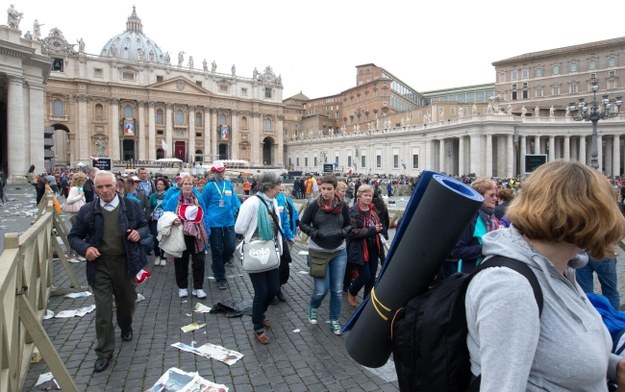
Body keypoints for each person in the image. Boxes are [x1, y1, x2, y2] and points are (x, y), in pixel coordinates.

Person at [465, 160, 625, 390]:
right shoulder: (509, 288)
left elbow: (555, 351)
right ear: (591, 217)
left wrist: (614, 367)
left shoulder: (560, 267)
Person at [68, 170, 149, 373]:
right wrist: (85, 249)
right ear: (94, 189)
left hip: (125, 263)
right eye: (100, 187)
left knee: (127, 302)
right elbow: (74, 236)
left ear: (117, 186)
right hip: (100, 265)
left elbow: (145, 226)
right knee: (103, 310)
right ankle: (104, 351)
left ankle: (126, 325)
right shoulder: (87, 211)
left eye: (108, 186)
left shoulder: (131, 206)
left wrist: (138, 233)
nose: (104, 190)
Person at [234, 172, 284, 344]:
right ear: (269, 187)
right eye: (278, 184)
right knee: (261, 291)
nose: (281, 187)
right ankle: (257, 326)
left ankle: (260, 313)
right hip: (255, 251)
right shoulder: (252, 203)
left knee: (274, 288)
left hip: (270, 250)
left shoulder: (274, 201)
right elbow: (239, 228)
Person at [299, 175, 352, 335]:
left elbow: (349, 225)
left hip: (339, 251)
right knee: (321, 290)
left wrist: (341, 233)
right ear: (320, 188)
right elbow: (302, 224)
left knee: (336, 290)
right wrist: (316, 233)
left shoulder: (342, 206)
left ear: (335, 190)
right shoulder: (314, 205)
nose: (326, 192)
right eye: (323, 189)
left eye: (330, 189)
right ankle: (313, 307)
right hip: (319, 251)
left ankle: (334, 320)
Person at [575, 186, 625, 310]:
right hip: (604, 250)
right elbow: (620, 229)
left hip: (583, 251)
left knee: (586, 294)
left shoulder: (580, 208)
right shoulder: (610, 210)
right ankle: (614, 323)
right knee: (610, 291)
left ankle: (590, 320)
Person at [163, 174, 211, 298]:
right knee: (181, 261)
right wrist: (174, 220)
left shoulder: (198, 198)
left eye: (190, 184)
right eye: (185, 184)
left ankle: (198, 287)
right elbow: (166, 212)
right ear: (181, 185)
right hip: (180, 233)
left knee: (199, 261)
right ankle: (182, 287)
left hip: (197, 234)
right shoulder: (174, 198)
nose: (188, 186)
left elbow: (204, 212)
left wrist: (206, 229)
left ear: (193, 186)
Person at [444, 177, 500, 277]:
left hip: (490, 273)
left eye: (496, 195)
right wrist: (486, 248)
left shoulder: (493, 218)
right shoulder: (471, 218)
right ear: (480, 196)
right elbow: (456, 251)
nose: (495, 198)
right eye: (491, 195)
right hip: (471, 275)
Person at [201, 161, 241, 290]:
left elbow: (235, 201)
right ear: (213, 172)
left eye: (222, 171)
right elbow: (203, 204)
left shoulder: (228, 185)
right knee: (217, 251)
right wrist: (207, 220)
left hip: (228, 222)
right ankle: (220, 277)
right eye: (218, 171)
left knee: (230, 248)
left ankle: (217, 266)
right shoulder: (209, 187)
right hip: (214, 224)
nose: (220, 173)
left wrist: (236, 210)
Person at [345, 184, 385, 307]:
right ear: (359, 196)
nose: (368, 198)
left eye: (370, 195)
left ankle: (366, 304)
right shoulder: (353, 211)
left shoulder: (373, 210)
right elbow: (352, 232)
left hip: (373, 246)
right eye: (366, 195)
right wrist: (372, 230)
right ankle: (352, 291)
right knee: (365, 275)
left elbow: (376, 225)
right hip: (360, 248)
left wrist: (379, 228)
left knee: (372, 277)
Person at [274, 184, 299, 302]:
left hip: (283, 235)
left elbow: (290, 216)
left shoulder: (286, 200)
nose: (282, 191)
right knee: (274, 265)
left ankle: (277, 287)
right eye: (280, 189)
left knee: (283, 264)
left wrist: (290, 234)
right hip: (271, 238)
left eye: (283, 189)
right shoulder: (267, 200)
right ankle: (275, 290)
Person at [65, 172, 88, 262]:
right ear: (80, 180)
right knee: (75, 235)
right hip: (74, 214)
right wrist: (80, 196)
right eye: (84, 179)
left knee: (79, 235)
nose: (85, 181)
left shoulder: (79, 188)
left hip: (78, 214)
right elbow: (69, 200)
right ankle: (71, 256)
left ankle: (78, 255)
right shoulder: (75, 189)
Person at [149, 177, 169, 266]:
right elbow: (150, 206)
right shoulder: (153, 195)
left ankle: (163, 256)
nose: (159, 186)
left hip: (164, 219)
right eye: (158, 184)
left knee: (164, 237)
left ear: (165, 186)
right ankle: (157, 255)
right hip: (154, 219)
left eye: (161, 184)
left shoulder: (168, 195)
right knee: (155, 238)